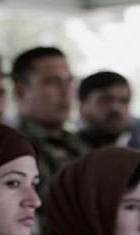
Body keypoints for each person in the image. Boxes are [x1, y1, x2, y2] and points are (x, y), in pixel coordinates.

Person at [12, 46, 88, 198]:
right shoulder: (11, 150)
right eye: (53, 82)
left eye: (69, 81)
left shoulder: (78, 143)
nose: (66, 92)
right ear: (21, 91)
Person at [77, 71, 140, 151]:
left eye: (124, 101)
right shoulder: (70, 151)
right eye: (106, 100)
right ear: (82, 106)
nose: (116, 108)